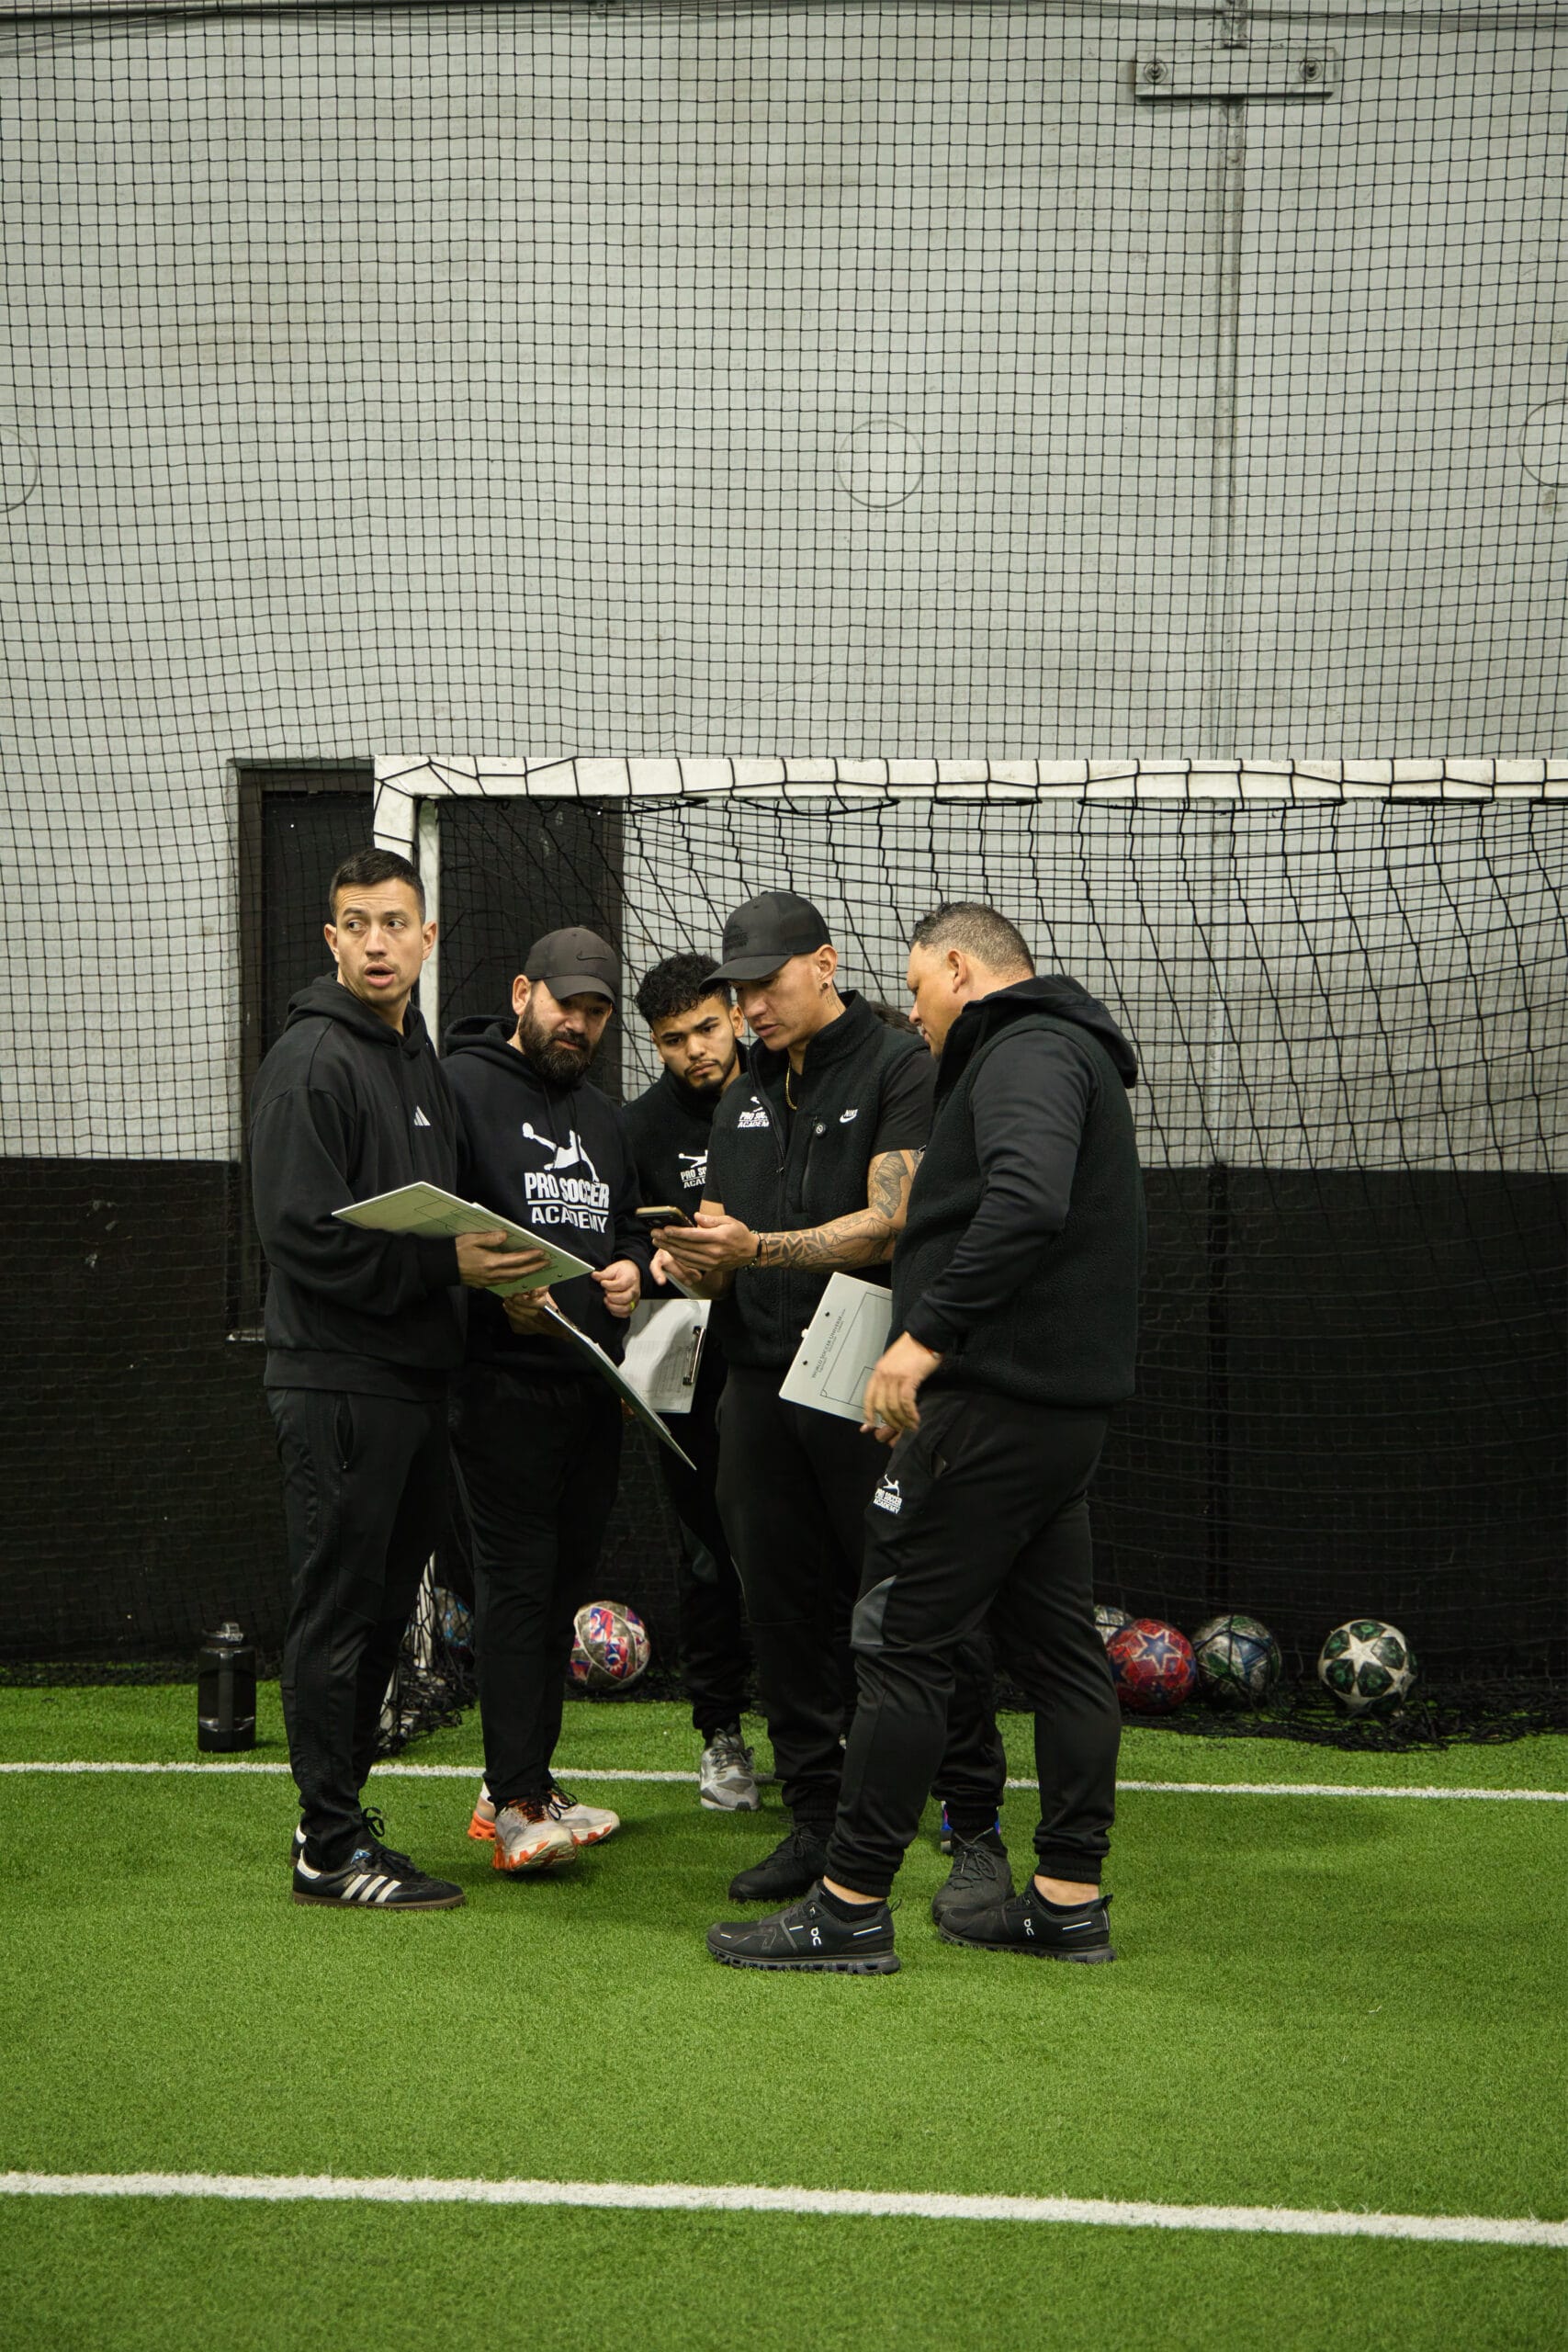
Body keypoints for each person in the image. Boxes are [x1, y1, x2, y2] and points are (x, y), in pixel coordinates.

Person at [705, 900, 1145, 1976]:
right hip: (1052, 1415)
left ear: (959, 967)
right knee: (1059, 1652)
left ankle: (850, 1906)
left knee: (901, 1642)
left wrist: (924, 1338)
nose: (914, 1013)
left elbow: (1026, 1200)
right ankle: (1067, 1900)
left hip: (991, 1407)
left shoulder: (1026, 1047)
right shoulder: (1064, 1047)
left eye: (916, 990)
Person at [657, 890, 1006, 1905]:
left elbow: (894, 1221)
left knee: (915, 1607)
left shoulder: (900, 1064)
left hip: (870, 1387)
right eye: (738, 992)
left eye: (767, 984)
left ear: (825, 963)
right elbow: (724, 1233)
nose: (751, 1008)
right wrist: (686, 1260)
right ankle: (815, 1821)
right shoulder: (744, 1092)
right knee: (780, 1613)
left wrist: (756, 1249)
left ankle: (973, 1819)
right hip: (758, 1389)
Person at [250, 846, 544, 1911]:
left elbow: (444, 1224)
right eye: (356, 924)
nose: (377, 943)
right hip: (339, 1382)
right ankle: (328, 1847)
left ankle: (334, 1825)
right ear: (332, 940)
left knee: (380, 1616)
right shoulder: (311, 1060)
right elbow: (298, 1236)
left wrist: (500, 1284)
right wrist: (445, 1265)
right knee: (341, 1611)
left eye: (394, 923)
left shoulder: (419, 1060)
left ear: (428, 938)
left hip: (417, 1383)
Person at [443, 927, 651, 1876]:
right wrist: (492, 1299)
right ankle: (519, 1801)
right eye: (567, 1003)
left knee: (558, 1588)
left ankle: (518, 1782)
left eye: (597, 1011)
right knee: (519, 1587)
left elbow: (622, 1231)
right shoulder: (459, 1087)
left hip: (590, 1386)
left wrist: (628, 1273)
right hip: (498, 1384)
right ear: (523, 993)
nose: (580, 1023)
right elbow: (431, 1234)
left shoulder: (603, 1117)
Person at [623, 954, 757, 1812]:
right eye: (673, 1039)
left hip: (784, 1355)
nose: (695, 1050)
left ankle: (828, 1727)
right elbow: (617, 1243)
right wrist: (648, 1263)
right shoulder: (636, 1127)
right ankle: (721, 1735)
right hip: (683, 1361)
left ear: (736, 1017)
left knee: (810, 1554)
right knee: (708, 1558)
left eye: (707, 1028)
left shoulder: (787, 1093)